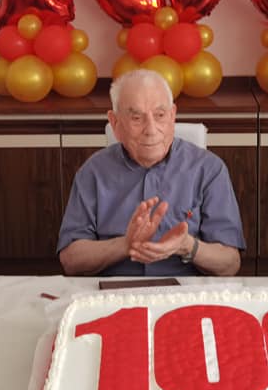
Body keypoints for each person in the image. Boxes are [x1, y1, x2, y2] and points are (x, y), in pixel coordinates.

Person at [58, 69, 244, 276]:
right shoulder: (93, 172)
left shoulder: (209, 169)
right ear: (115, 123)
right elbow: (70, 260)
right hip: (113, 290)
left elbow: (230, 264)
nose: (151, 129)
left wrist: (187, 246)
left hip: (184, 291)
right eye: (137, 118)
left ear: (172, 116)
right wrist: (125, 245)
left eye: (160, 115)